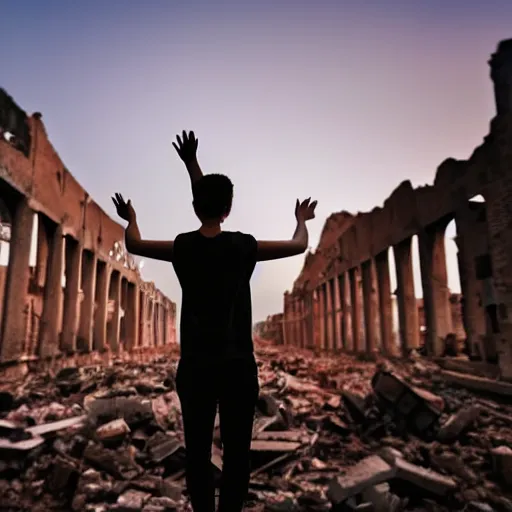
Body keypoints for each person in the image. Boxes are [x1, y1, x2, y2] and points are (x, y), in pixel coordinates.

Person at [112, 131, 317, 512]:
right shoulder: (243, 246)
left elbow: (135, 245)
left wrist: (133, 217)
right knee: (238, 455)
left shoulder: (183, 247)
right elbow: (298, 244)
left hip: (196, 368)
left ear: (194, 207)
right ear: (229, 209)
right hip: (238, 368)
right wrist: (301, 219)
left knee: (197, 453)